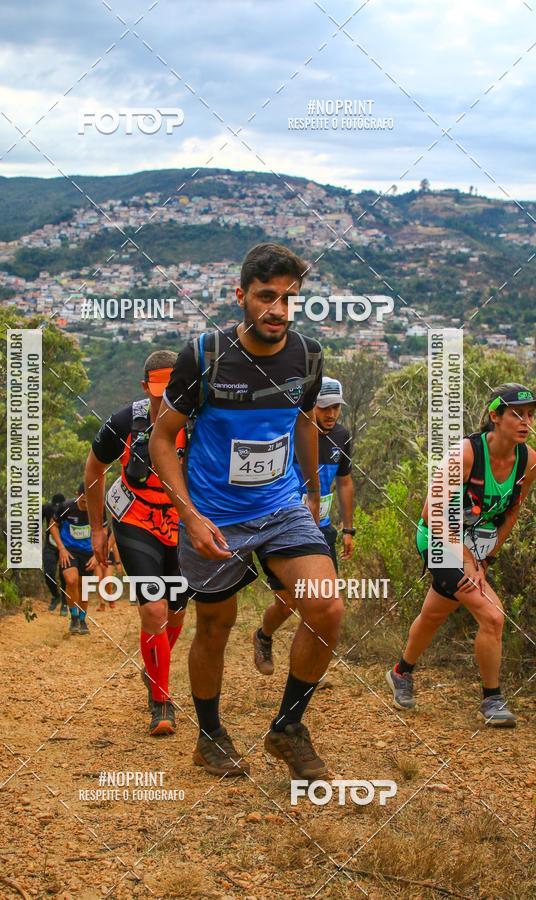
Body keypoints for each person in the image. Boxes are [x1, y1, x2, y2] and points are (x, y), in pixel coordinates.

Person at [150, 242, 344, 779]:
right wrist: (190, 515)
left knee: (326, 607)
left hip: (280, 505)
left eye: (289, 298)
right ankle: (210, 736)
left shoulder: (307, 355)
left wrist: (311, 491)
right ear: (241, 296)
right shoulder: (205, 355)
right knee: (215, 625)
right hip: (214, 514)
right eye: (266, 296)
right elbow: (162, 438)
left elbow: (303, 419)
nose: (278, 310)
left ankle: (288, 728)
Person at [386, 384, 536, 727]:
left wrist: (486, 558)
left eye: (530, 415)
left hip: (476, 545)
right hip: (438, 540)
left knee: (435, 612)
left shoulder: (529, 460)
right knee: (493, 616)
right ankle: (492, 699)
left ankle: (401, 672)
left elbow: (512, 511)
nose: (526, 422)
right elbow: (431, 514)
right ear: (495, 416)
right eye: (517, 414)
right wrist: (468, 560)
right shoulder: (465, 455)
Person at [86, 351, 190, 737]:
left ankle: (154, 668)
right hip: (135, 518)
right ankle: (161, 702)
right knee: (154, 608)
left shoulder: (195, 421)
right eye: (158, 392)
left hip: (180, 522)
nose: (165, 400)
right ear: (145, 387)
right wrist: (97, 529)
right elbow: (94, 468)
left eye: (172, 391)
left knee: (176, 611)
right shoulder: (125, 421)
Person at [253, 376, 355, 675]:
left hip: (321, 529)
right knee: (287, 602)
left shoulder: (342, 436)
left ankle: (309, 669)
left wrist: (348, 529)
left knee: (321, 602)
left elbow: (345, 482)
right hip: (285, 527)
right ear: (310, 406)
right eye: (324, 407)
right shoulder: (291, 432)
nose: (331, 414)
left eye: (336, 407)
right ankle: (263, 635)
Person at [49, 484, 100, 635]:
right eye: (83, 501)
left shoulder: (97, 509)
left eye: (89, 500)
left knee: (84, 588)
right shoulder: (66, 507)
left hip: (88, 552)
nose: (86, 504)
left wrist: (97, 556)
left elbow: (103, 532)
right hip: (69, 551)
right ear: (77, 494)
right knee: (71, 581)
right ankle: (74, 617)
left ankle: (82, 620)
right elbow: (53, 525)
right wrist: (61, 548)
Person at [42, 492, 67, 614]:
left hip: (66, 545)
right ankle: (55, 596)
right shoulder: (46, 508)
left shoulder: (69, 508)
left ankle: (65, 602)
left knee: (64, 575)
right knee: (48, 572)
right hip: (50, 544)